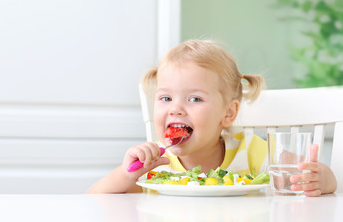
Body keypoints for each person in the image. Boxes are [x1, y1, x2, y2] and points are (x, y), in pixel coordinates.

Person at [87, 39, 337, 196]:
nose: (176, 109)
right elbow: (94, 200)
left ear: (228, 113)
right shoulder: (156, 163)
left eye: (194, 99)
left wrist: (321, 179)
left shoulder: (251, 152)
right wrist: (127, 173)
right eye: (165, 98)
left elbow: (301, 174)